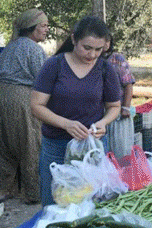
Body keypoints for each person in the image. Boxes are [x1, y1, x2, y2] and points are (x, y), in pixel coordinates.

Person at [32, 17, 122, 206]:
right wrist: (66, 124)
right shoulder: (54, 66)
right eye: (87, 48)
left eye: (98, 49)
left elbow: (114, 107)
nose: (92, 54)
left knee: (93, 202)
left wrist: (103, 123)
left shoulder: (105, 69)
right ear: (74, 39)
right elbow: (36, 106)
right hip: (56, 147)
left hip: (93, 149)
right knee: (55, 203)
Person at [0, 9, 49, 204]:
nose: (47, 30)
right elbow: (42, 79)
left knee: (3, 144)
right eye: (44, 26)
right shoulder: (34, 49)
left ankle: (4, 190)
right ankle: (33, 193)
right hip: (19, 97)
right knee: (30, 143)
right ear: (31, 28)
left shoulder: (11, 46)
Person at [103, 33, 136, 159]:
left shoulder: (117, 59)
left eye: (108, 41)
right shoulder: (94, 60)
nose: (105, 44)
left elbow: (128, 85)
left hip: (118, 114)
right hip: (101, 114)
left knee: (121, 153)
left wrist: (126, 108)